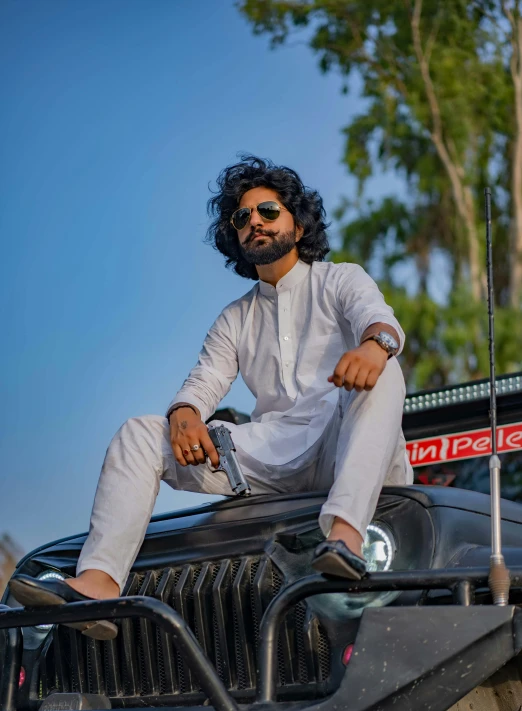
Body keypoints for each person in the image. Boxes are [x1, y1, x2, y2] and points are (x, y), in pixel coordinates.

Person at [10, 155, 413, 640]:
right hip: (270, 460)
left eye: (268, 211)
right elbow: (203, 382)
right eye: (242, 218)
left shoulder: (341, 279)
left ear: (299, 224)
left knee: (385, 374)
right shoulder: (235, 318)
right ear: (236, 237)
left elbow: (378, 318)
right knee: (139, 434)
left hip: (342, 446)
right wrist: (183, 414)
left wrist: (376, 345)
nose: (254, 223)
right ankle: (99, 584)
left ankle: (344, 540)